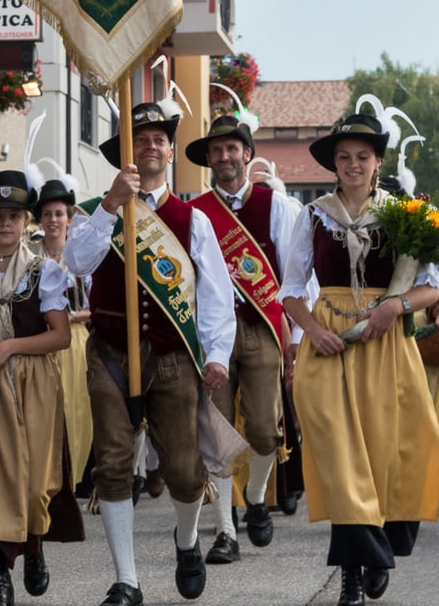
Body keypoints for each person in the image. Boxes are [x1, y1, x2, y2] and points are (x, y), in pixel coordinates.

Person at [63, 102, 236, 606]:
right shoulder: (100, 208)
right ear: (127, 153)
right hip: (111, 353)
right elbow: (76, 261)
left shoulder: (192, 219)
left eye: (160, 137)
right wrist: (111, 207)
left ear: (169, 149)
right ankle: (127, 580)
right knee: (113, 465)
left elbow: (215, 295)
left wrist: (217, 355)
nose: (152, 144)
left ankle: (187, 543)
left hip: (173, 357)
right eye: (141, 138)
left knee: (184, 471)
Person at [278, 112, 439, 606]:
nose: (353, 164)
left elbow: (432, 286)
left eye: (362, 156)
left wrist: (396, 305)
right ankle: (351, 570)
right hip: (331, 344)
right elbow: (289, 292)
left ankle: (381, 548)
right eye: (344, 156)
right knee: (340, 457)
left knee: (400, 446)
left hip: (386, 343)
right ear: (333, 164)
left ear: (377, 163)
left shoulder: (405, 214)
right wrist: (312, 333)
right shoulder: (313, 215)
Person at [0, 170, 78, 606]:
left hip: (35, 383)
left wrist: (8, 346)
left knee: (33, 482)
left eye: (13, 216)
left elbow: (60, 336)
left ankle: (35, 547)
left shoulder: (43, 271)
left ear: (26, 221)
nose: (5, 225)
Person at [186, 117, 300, 563]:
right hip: (215, 331)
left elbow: (294, 276)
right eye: (217, 150)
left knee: (264, 429)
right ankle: (226, 532)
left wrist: (298, 336)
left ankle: (255, 497)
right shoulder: (196, 210)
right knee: (216, 432)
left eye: (233, 148)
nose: (225, 156)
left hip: (262, 327)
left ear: (247, 155)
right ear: (209, 159)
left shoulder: (277, 207)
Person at [31, 179, 93, 494]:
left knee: (77, 409)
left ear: (69, 218)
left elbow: (94, 306)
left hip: (76, 339)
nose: (53, 220)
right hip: (39, 341)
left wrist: (71, 317)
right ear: (40, 220)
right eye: (47, 214)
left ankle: (76, 476)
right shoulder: (30, 256)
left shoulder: (80, 256)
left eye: (59, 214)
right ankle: (47, 478)